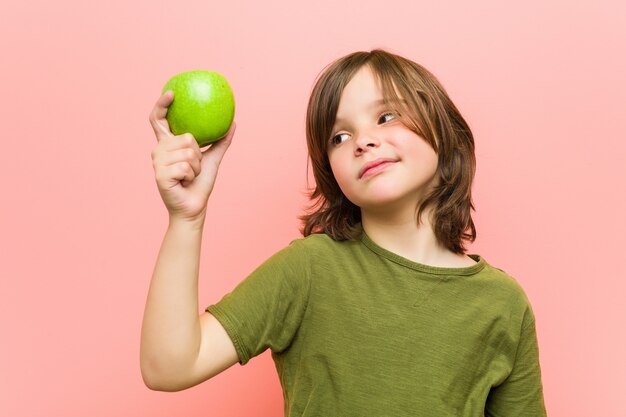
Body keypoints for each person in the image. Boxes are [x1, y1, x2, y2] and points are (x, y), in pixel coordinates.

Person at [141, 49, 547, 416]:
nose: (363, 141)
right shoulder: (309, 269)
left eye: (386, 116)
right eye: (340, 136)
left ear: (442, 130)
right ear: (331, 172)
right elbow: (168, 366)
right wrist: (186, 218)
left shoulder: (503, 304)